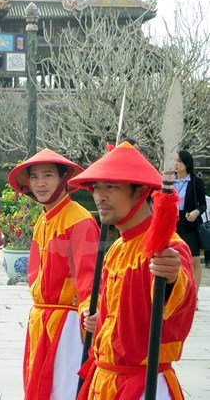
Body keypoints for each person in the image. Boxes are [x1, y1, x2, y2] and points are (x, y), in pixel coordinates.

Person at [69, 142, 196, 400]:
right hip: (102, 378)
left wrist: (172, 278)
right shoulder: (116, 248)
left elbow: (180, 299)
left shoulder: (168, 247)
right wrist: (100, 320)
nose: (99, 196)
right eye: (96, 187)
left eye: (111, 187)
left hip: (141, 384)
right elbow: (118, 307)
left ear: (140, 192)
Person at [7, 148, 100, 399]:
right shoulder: (43, 219)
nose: (40, 183)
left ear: (63, 179)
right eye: (34, 177)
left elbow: (88, 278)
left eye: (48, 175)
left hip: (67, 323)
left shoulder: (80, 220)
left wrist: (88, 314)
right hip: (41, 318)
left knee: (63, 389)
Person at [173, 150, 207, 290]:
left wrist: (196, 212)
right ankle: (177, 292)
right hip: (172, 223)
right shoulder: (169, 180)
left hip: (189, 224)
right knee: (174, 259)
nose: (176, 164)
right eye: (175, 161)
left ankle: (194, 294)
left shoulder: (195, 182)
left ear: (187, 164)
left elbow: (203, 204)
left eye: (179, 161)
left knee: (193, 260)